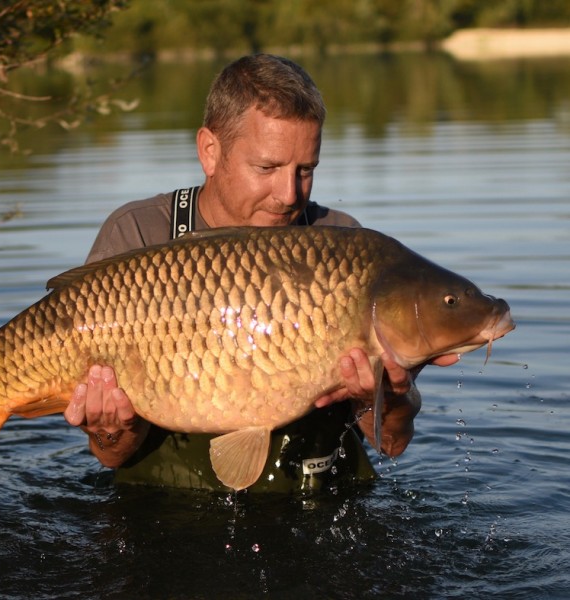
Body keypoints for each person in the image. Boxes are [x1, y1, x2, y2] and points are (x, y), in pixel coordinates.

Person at [63, 54, 458, 493]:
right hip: (168, 510)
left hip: (315, 509)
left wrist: (381, 399)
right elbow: (110, 454)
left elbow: (392, 443)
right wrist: (109, 426)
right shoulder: (139, 234)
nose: (289, 194)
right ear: (210, 151)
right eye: (267, 168)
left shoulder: (342, 245)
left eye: (305, 170)